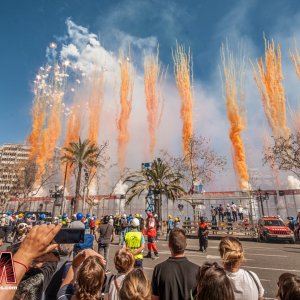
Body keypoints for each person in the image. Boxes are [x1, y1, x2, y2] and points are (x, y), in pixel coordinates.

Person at [0, 223, 62, 299]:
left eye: (2, 239)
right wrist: (25, 255)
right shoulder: (6, 257)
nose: (1, 243)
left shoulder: (6, 255)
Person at [151, 228, 199, 300]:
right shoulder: (197, 270)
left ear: (169, 245)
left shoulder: (159, 269)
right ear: (186, 245)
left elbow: (155, 298)